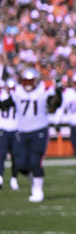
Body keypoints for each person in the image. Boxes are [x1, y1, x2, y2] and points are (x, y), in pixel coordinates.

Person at [0, 67, 62, 202]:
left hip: (39, 130)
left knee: (35, 161)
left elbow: (56, 104)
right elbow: (6, 104)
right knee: (20, 164)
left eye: (30, 81)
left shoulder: (43, 90)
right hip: (22, 132)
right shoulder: (17, 91)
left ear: (35, 81)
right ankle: (35, 182)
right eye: (25, 81)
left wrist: (58, 91)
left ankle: (38, 190)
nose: (28, 84)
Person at [0, 77, 19, 191]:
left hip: (16, 129)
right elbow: (4, 104)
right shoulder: (2, 96)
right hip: (3, 129)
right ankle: (0, 178)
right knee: (1, 155)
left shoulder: (18, 96)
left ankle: (14, 179)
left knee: (16, 156)